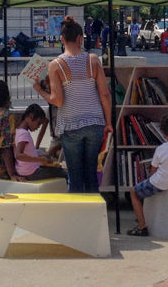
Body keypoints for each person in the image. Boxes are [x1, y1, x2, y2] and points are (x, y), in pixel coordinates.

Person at [32, 16, 113, 193]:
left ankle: (78, 217)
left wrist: (39, 89)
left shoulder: (56, 65)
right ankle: (94, 215)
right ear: (80, 39)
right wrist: (108, 122)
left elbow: (57, 100)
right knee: (91, 173)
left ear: (62, 39)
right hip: (95, 122)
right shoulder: (93, 60)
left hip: (71, 124)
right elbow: (105, 94)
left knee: (75, 176)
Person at [127, 114, 168, 236]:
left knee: (133, 192)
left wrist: (150, 179)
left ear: (163, 133)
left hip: (158, 182)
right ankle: (144, 217)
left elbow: (154, 169)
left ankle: (142, 225)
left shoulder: (161, 149)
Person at [14, 104, 67, 181]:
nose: (38, 127)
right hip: (30, 173)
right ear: (31, 116)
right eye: (38, 123)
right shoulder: (23, 134)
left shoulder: (18, 131)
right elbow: (18, 155)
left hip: (26, 171)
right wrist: (40, 159)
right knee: (62, 173)